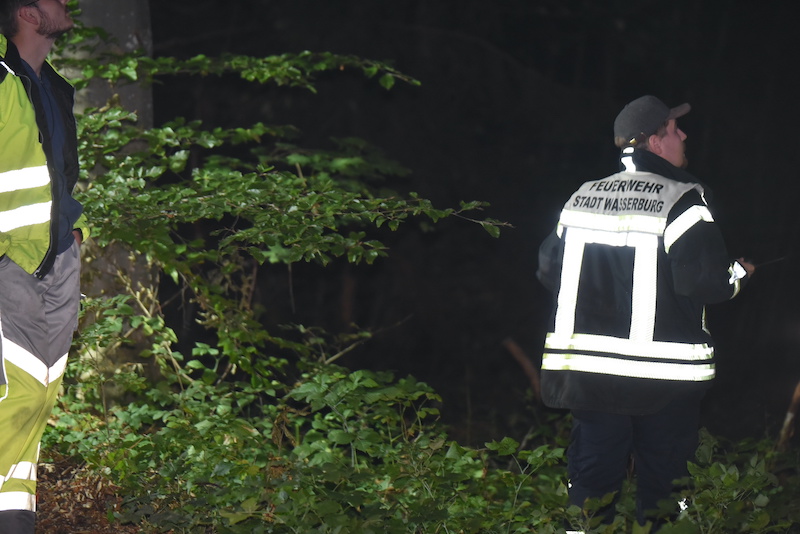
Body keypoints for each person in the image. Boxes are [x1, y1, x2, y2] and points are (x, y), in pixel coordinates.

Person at [536, 95, 755, 529]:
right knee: (666, 493)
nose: (684, 135)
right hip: (663, 382)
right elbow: (706, 282)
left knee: (590, 489)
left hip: (588, 376)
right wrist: (740, 274)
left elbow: (548, 270)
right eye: (674, 129)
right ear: (655, 142)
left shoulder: (581, 197)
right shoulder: (682, 199)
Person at [0, 0, 89, 530]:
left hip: (56, 263)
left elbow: (59, 176)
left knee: (37, 398)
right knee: (17, 395)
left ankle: (15, 521)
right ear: (29, 15)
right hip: (9, 266)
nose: (66, 2)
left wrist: (76, 230)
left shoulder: (54, 86)